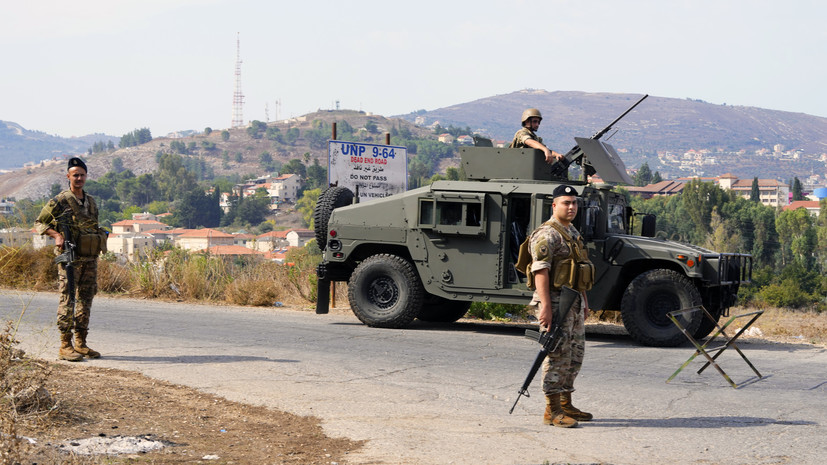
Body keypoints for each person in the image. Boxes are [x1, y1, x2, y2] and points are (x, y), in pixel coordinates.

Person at [526, 184, 594, 428]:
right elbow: (540, 271)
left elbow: (579, 270)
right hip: (553, 302)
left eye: (574, 203)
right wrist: (545, 306)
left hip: (572, 301)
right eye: (566, 202)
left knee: (574, 355)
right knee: (557, 354)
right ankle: (552, 411)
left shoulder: (571, 231)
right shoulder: (547, 234)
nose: (572, 207)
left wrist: (584, 301)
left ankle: (566, 403)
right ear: (554, 205)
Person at [34, 157, 107, 361]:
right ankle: (65, 345)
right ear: (68, 176)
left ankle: (81, 343)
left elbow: (93, 225)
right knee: (68, 298)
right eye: (76, 175)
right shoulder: (60, 200)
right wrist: (57, 235)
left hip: (89, 258)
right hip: (70, 257)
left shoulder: (90, 201)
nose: (79, 178)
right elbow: (40, 223)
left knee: (86, 298)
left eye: (82, 175)